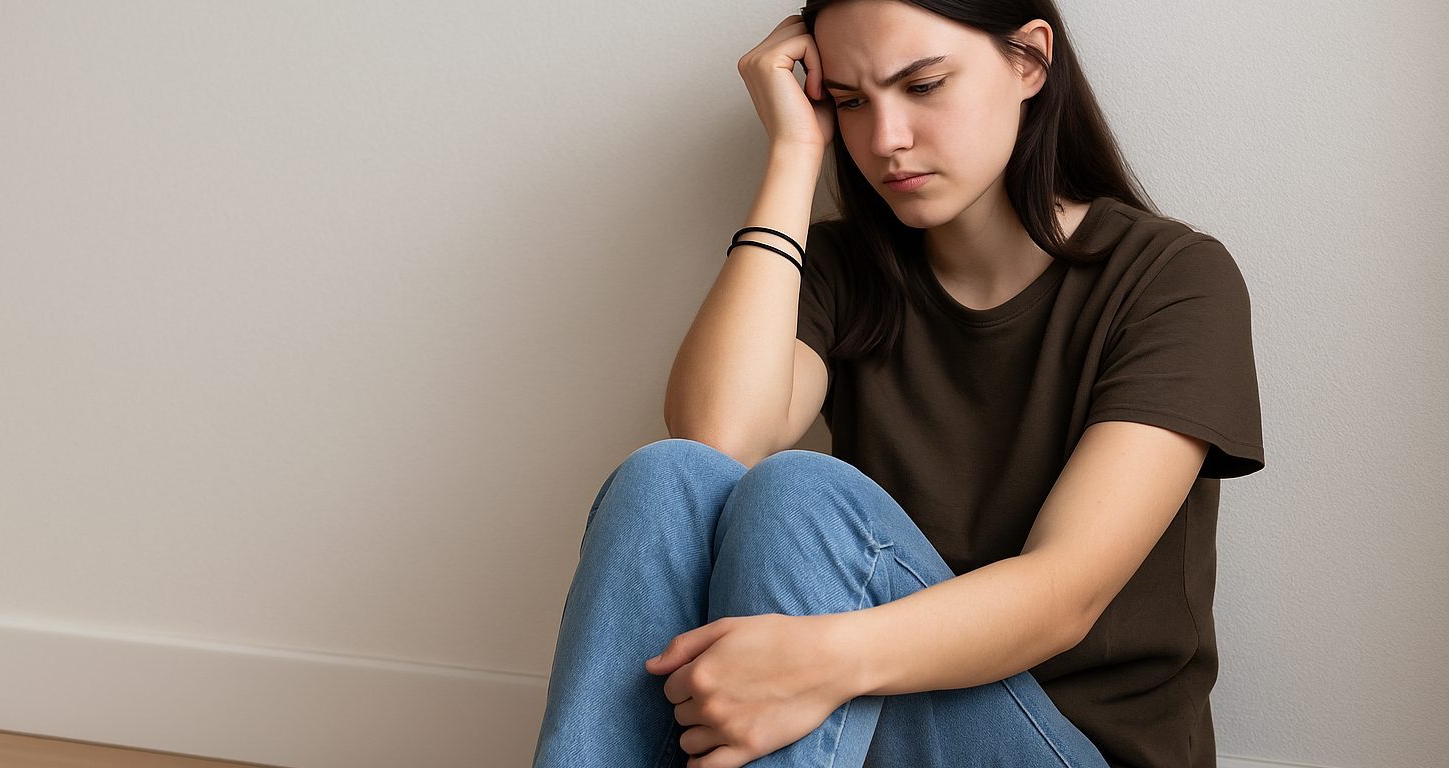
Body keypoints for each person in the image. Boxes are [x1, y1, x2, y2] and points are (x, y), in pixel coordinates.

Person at [533, 0, 1265, 766]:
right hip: (880, 727)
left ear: (1028, 60)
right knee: (664, 477)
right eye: (851, 101)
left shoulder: (1172, 280)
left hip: (1070, 748)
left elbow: (1063, 595)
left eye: (922, 86)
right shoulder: (847, 270)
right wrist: (792, 151)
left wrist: (815, 661)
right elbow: (716, 440)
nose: (885, 140)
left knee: (801, 497)